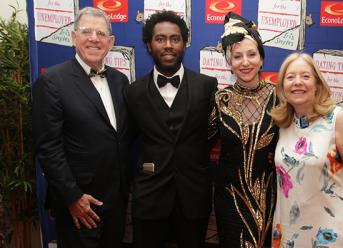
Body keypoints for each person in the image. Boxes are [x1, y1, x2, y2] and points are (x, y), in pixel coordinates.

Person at [32, 7, 131, 248]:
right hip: (80, 205)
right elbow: (48, 147)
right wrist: (73, 197)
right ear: (74, 37)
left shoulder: (120, 81)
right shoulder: (52, 81)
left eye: (100, 33)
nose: (94, 38)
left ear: (111, 42)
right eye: (86, 31)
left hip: (116, 203)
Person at [124, 11, 218, 248]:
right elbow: (127, 140)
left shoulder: (207, 86)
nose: (168, 45)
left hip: (194, 196)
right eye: (160, 38)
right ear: (148, 44)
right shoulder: (133, 92)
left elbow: (211, 135)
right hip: (149, 196)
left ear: (184, 43)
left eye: (175, 39)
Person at [270, 53, 343, 248]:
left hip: (329, 232)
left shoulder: (338, 119)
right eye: (290, 77)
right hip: (288, 231)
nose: (297, 82)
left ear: (317, 84)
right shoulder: (283, 122)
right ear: (282, 87)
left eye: (305, 76)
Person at [208, 12, 280, 247]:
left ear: (261, 58)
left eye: (251, 54)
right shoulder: (220, 100)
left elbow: (304, 132)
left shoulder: (279, 97)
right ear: (229, 62)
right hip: (229, 199)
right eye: (237, 56)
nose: (245, 62)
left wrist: (332, 117)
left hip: (270, 196)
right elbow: (198, 142)